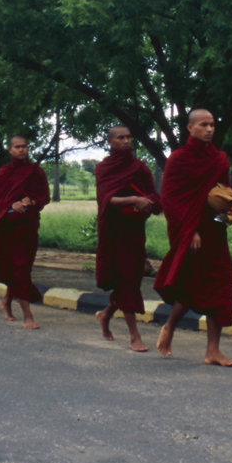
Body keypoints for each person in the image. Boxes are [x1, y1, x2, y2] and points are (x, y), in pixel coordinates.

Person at [153, 109, 232, 366]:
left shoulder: (218, 159)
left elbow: (223, 192)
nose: (209, 129)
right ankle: (170, 325)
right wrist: (189, 230)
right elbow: (169, 200)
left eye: (212, 125)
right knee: (191, 284)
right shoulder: (179, 159)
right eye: (203, 125)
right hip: (188, 232)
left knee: (220, 288)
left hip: (213, 231)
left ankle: (212, 351)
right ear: (190, 129)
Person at [94, 125, 162, 351]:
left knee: (132, 278)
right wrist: (133, 199)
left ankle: (105, 315)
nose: (126, 141)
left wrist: (149, 202)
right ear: (110, 142)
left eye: (128, 137)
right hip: (114, 232)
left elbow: (152, 193)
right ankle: (134, 336)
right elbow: (105, 200)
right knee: (126, 280)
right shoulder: (103, 168)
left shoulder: (138, 167)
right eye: (120, 138)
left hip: (134, 230)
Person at [0, 136, 50, 328]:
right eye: (17, 147)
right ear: (10, 150)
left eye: (24, 146)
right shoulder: (4, 172)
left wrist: (32, 202)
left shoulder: (36, 172)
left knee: (24, 269)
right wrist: (12, 204)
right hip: (9, 229)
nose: (22, 150)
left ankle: (6, 302)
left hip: (30, 227)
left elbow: (45, 197)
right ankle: (28, 316)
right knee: (19, 269)